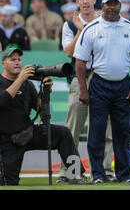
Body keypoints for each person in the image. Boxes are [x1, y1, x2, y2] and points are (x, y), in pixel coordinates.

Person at [74, 0, 130, 184]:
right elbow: (80, 61)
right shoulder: (92, 28)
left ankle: (124, 175)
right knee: (96, 131)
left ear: (120, 6)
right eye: (108, 4)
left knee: (122, 132)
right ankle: (98, 174)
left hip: (123, 84)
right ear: (102, 6)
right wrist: (82, 88)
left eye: (115, 4)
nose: (112, 8)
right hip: (99, 83)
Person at [0, 48, 89, 186]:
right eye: (13, 60)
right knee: (8, 183)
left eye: (19, 59)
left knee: (63, 133)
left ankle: (75, 175)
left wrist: (46, 91)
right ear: (3, 64)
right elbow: (3, 100)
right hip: (7, 141)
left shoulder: (27, 84)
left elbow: (41, 111)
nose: (17, 63)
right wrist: (20, 79)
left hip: (27, 134)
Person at [57, 0, 115, 183]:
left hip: (102, 76)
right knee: (73, 128)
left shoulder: (105, 22)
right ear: (77, 2)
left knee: (105, 128)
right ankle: (70, 172)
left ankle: (105, 171)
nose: (85, 1)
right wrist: (81, 30)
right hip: (79, 78)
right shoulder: (70, 25)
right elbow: (69, 52)